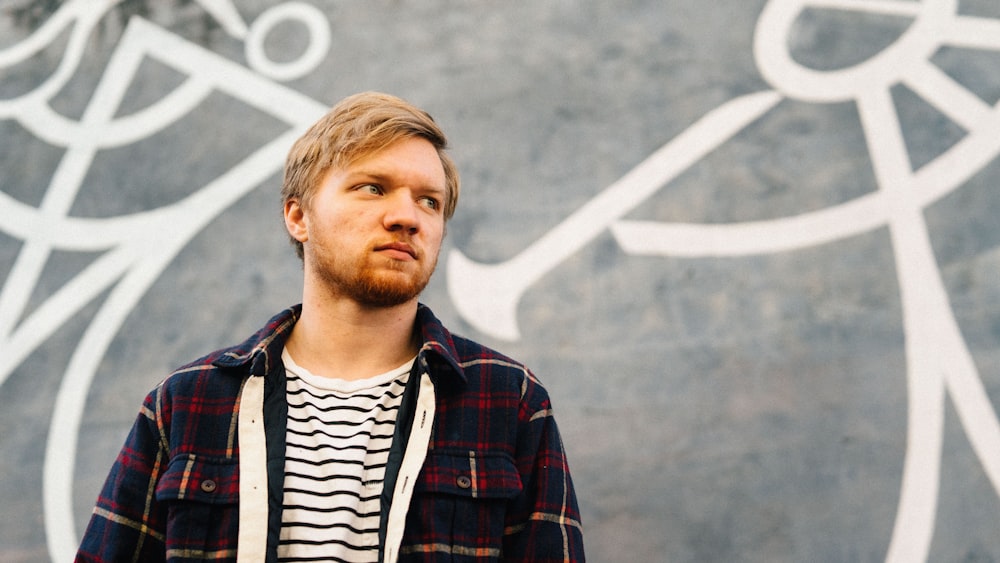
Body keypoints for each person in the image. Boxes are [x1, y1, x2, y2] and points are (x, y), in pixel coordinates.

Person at [76, 91, 584, 562]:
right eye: (373, 188)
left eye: (429, 200)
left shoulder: (507, 399)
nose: (407, 216)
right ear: (299, 216)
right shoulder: (185, 404)